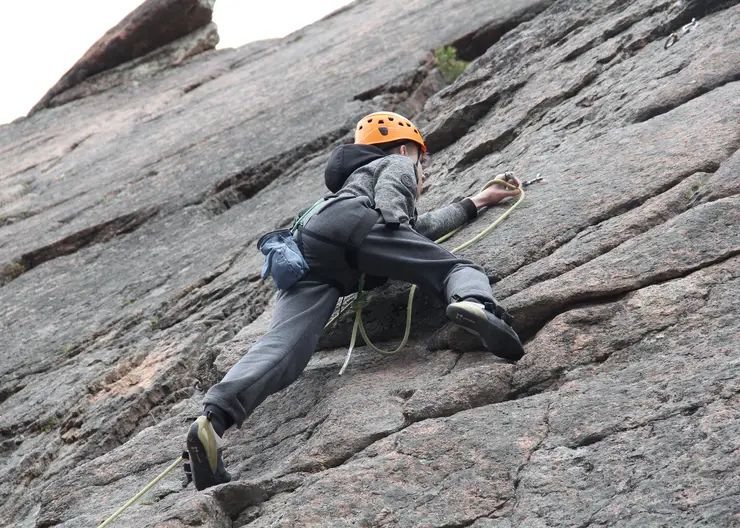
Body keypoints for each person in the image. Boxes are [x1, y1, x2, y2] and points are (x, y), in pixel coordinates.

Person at [184, 111, 525, 490]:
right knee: (455, 268)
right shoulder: (397, 161)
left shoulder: (344, 187)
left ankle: (213, 421)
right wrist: (395, 217)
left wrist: (480, 199)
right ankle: (475, 303)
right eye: (421, 162)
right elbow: (400, 207)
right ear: (404, 146)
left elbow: (421, 227)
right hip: (357, 227)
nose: (422, 173)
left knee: (285, 345)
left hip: (310, 247)